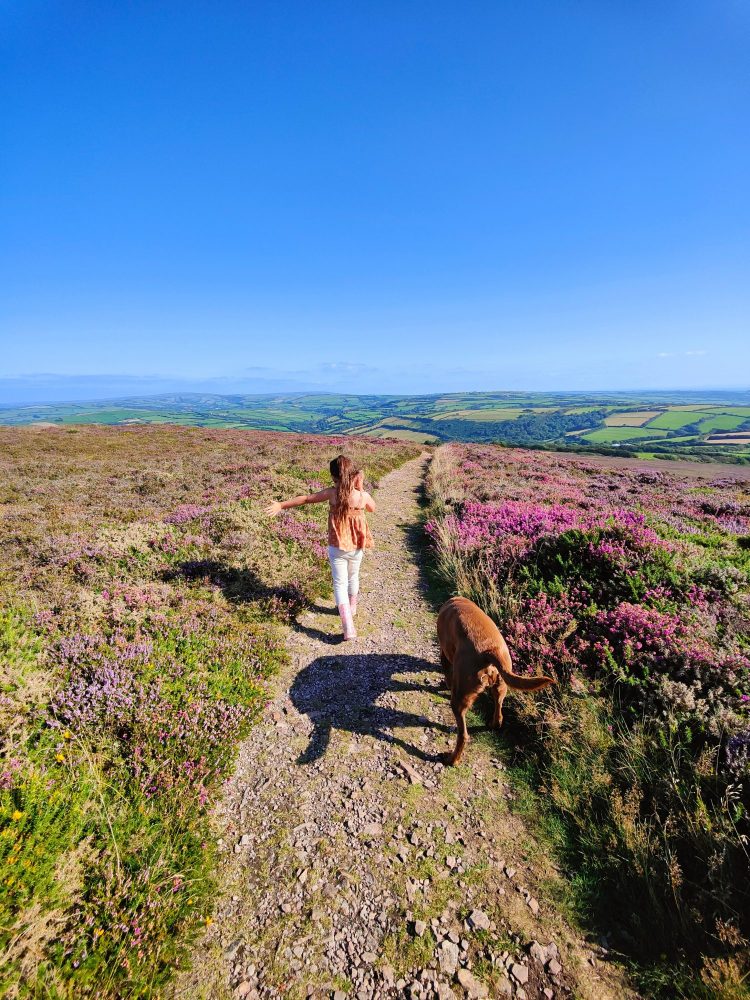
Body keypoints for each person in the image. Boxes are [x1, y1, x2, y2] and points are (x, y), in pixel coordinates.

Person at [264, 455, 375, 639]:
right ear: (353, 475)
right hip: (357, 546)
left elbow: (306, 499)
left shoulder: (332, 493)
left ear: (333, 477)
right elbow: (372, 508)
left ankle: (348, 625)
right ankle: (352, 608)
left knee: (339, 583)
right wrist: (360, 487)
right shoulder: (362, 496)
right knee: (353, 576)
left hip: (337, 546)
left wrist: (281, 505)